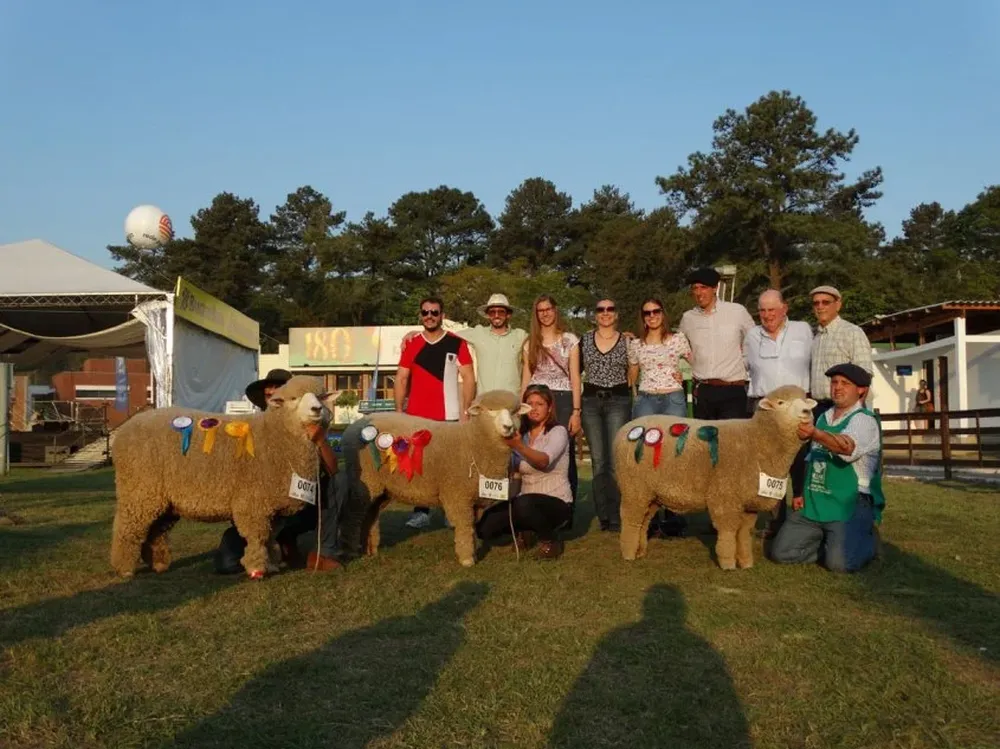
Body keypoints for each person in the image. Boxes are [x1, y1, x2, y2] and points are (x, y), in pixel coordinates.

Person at [214, 369, 342, 573]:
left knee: (338, 483)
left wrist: (318, 440)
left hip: (298, 504)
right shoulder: (247, 429)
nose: (274, 397)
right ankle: (265, 545)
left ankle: (321, 552)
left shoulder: (311, 425)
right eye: (269, 395)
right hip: (253, 511)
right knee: (228, 563)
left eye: (282, 392)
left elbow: (333, 468)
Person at [770, 363, 886, 573]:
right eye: (834, 382)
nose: (837, 387)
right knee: (781, 553)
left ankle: (868, 541)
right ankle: (829, 543)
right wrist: (800, 492)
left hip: (849, 501)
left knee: (840, 565)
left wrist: (816, 434)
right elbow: (811, 459)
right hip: (816, 498)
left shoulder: (864, 421)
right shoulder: (822, 417)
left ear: (862, 390)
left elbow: (847, 448)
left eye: (845, 383)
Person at [396, 296, 476, 529]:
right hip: (416, 416)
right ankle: (421, 511)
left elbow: (469, 377)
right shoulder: (411, 344)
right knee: (420, 466)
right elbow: (401, 378)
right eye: (425, 312)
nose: (429, 316)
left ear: (442, 315)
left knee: (451, 467)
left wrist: (466, 411)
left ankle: (450, 511)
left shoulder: (456, 343)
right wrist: (399, 411)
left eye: (434, 312)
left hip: (450, 416)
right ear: (420, 315)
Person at [744, 289, 813, 536]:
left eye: (772, 309)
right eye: (762, 310)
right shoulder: (752, 335)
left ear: (784, 308)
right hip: (766, 408)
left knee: (801, 463)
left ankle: (804, 519)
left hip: (796, 407)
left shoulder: (803, 330)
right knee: (770, 468)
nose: (767, 315)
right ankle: (776, 521)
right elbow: (744, 366)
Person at [476, 384, 573, 560]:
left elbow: (543, 461)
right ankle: (526, 531)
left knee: (524, 503)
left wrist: (518, 446)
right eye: (530, 403)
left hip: (556, 501)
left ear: (550, 407)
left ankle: (550, 541)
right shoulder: (521, 434)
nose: (534, 408)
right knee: (484, 528)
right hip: (525, 500)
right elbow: (510, 471)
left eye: (540, 404)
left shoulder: (558, 431)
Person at [628, 297, 691, 537]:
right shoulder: (636, 344)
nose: (652, 316)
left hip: (672, 400)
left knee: (675, 456)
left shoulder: (677, 339)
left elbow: (695, 362)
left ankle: (675, 516)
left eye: (655, 311)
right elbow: (632, 373)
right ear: (642, 317)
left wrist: (684, 375)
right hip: (645, 401)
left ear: (663, 314)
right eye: (647, 313)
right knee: (645, 458)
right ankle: (650, 515)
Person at [521, 294, 582, 505]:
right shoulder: (530, 343)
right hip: (535, 399)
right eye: (541, 310)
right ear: (536, 315)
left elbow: (575, 377)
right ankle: (531, 502)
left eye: (548, 309)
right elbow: (526, 378)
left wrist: (576, 411)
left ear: (555, 310)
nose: (545, 314)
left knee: (565, 455)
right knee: (532, 449)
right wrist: (520, 406)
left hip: (563, 399)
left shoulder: (570, 340)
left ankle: (565, 508)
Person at [579, 298, 631, 532]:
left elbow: (636, 370)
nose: (605, 313)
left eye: (610, 309)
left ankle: (618, 513)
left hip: (618, 401)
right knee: (598, 462)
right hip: (590, 402)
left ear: (616, 314)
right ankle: (604, 516)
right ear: (595, 314)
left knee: (615, 461)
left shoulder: (628, 341)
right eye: (601, 309)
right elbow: (573, 370)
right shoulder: (584, 341)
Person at [678, 268, 755, 420]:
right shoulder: (688, 318)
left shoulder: (737, 311)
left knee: (731, 442)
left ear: (715, 288)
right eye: (695, 288)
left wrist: (744, 364)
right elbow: (674, 346)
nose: (699, 293)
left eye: (704, 287)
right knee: (704, 442)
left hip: (732, 390)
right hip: (703, 391)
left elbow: (755, 340)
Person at [809, 285, 873, 417]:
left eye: (825, 302)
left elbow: (865, 375)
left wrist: (855, 410)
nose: (820, 306)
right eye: (816, 303)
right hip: (818, 409)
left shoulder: (852, 332)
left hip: (845, 408)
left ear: (838, 305)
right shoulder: (815, 336)